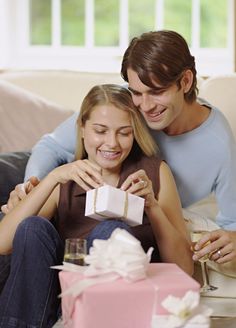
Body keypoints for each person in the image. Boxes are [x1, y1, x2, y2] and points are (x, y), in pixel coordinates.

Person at [2, 30, 236, 263]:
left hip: (101, 201)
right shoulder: (127, 101)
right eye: (136, 92)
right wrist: (29, 188)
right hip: (63, 173)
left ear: (185, 82)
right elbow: (50, 147)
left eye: (156, 92)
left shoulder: (219, 146)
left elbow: (232, 226)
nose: (144, 106)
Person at [0, 84, 192, 328]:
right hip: (50, 313)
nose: (112, 143)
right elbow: (3, 243)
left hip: (110, 319)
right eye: (100, 131)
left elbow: (184, 269)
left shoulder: (154, 173)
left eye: (124, 133)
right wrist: (53, 177)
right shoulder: (65, 178)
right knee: (32, 227)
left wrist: (153, 207)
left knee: (110, 231)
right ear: (81, 128)